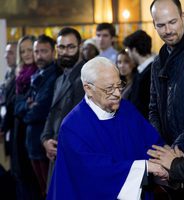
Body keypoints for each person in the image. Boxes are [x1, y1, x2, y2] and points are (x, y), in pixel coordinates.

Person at [47, 57, 165, 200]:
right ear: (88, 88)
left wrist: (170, 162)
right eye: (109, 88)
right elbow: (94, 173)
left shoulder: (127, 109)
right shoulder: (73, 126)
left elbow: (153, 144)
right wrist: (145, 167)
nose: (117, 94)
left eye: (119, 85)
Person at [149, 0, 184, 198]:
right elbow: (154, 108)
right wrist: (161, 149)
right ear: (154, 25)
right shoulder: (157, 61)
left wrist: (177, 151)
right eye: (161, 25)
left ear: (183, 18)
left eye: (172, 22)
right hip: (170, 161)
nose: (168, 30)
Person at [40, 27, 85, 191]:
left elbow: (82, 123)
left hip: (74, 156)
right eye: (61, 47)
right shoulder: (59, 79)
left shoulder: (87, 77)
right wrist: (45, 140)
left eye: (71, 47)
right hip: (55, 153)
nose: (65, 52)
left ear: (80, 46)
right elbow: (52, 114)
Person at [15, 34, 59, 199]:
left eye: (44, 51)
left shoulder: (53, 76)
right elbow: (18, 107)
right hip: (33, 143)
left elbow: (40, 110)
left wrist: (26, 114)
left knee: (48, 191)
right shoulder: (37, 75)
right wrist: (27, 107)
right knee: (42, 190)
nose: (39, 56)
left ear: (53, 52)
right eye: (36, 52)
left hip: (44, 143)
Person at [14, 35, 40, 200]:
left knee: (34, 184)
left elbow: (35, 107)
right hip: (19, 132)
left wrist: (22, 107)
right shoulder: (20, 76)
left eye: (30, 50)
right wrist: (25, 105)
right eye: (22, 51)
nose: (26, 54)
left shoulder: (39, 74)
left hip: (33, 134)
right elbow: (17, 107)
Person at [123, 30, 154, 119]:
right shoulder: (140, 71)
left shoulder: (152, 71)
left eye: (127, 50)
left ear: (134, 49)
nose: (128, 54)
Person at [0, 42, 17, 157]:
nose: (6, 56)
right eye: (6, 52)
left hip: (14, 126)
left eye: (10, 52)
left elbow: (10, 105)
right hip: (7, 126)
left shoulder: (20, 76)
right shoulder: (8, 73)